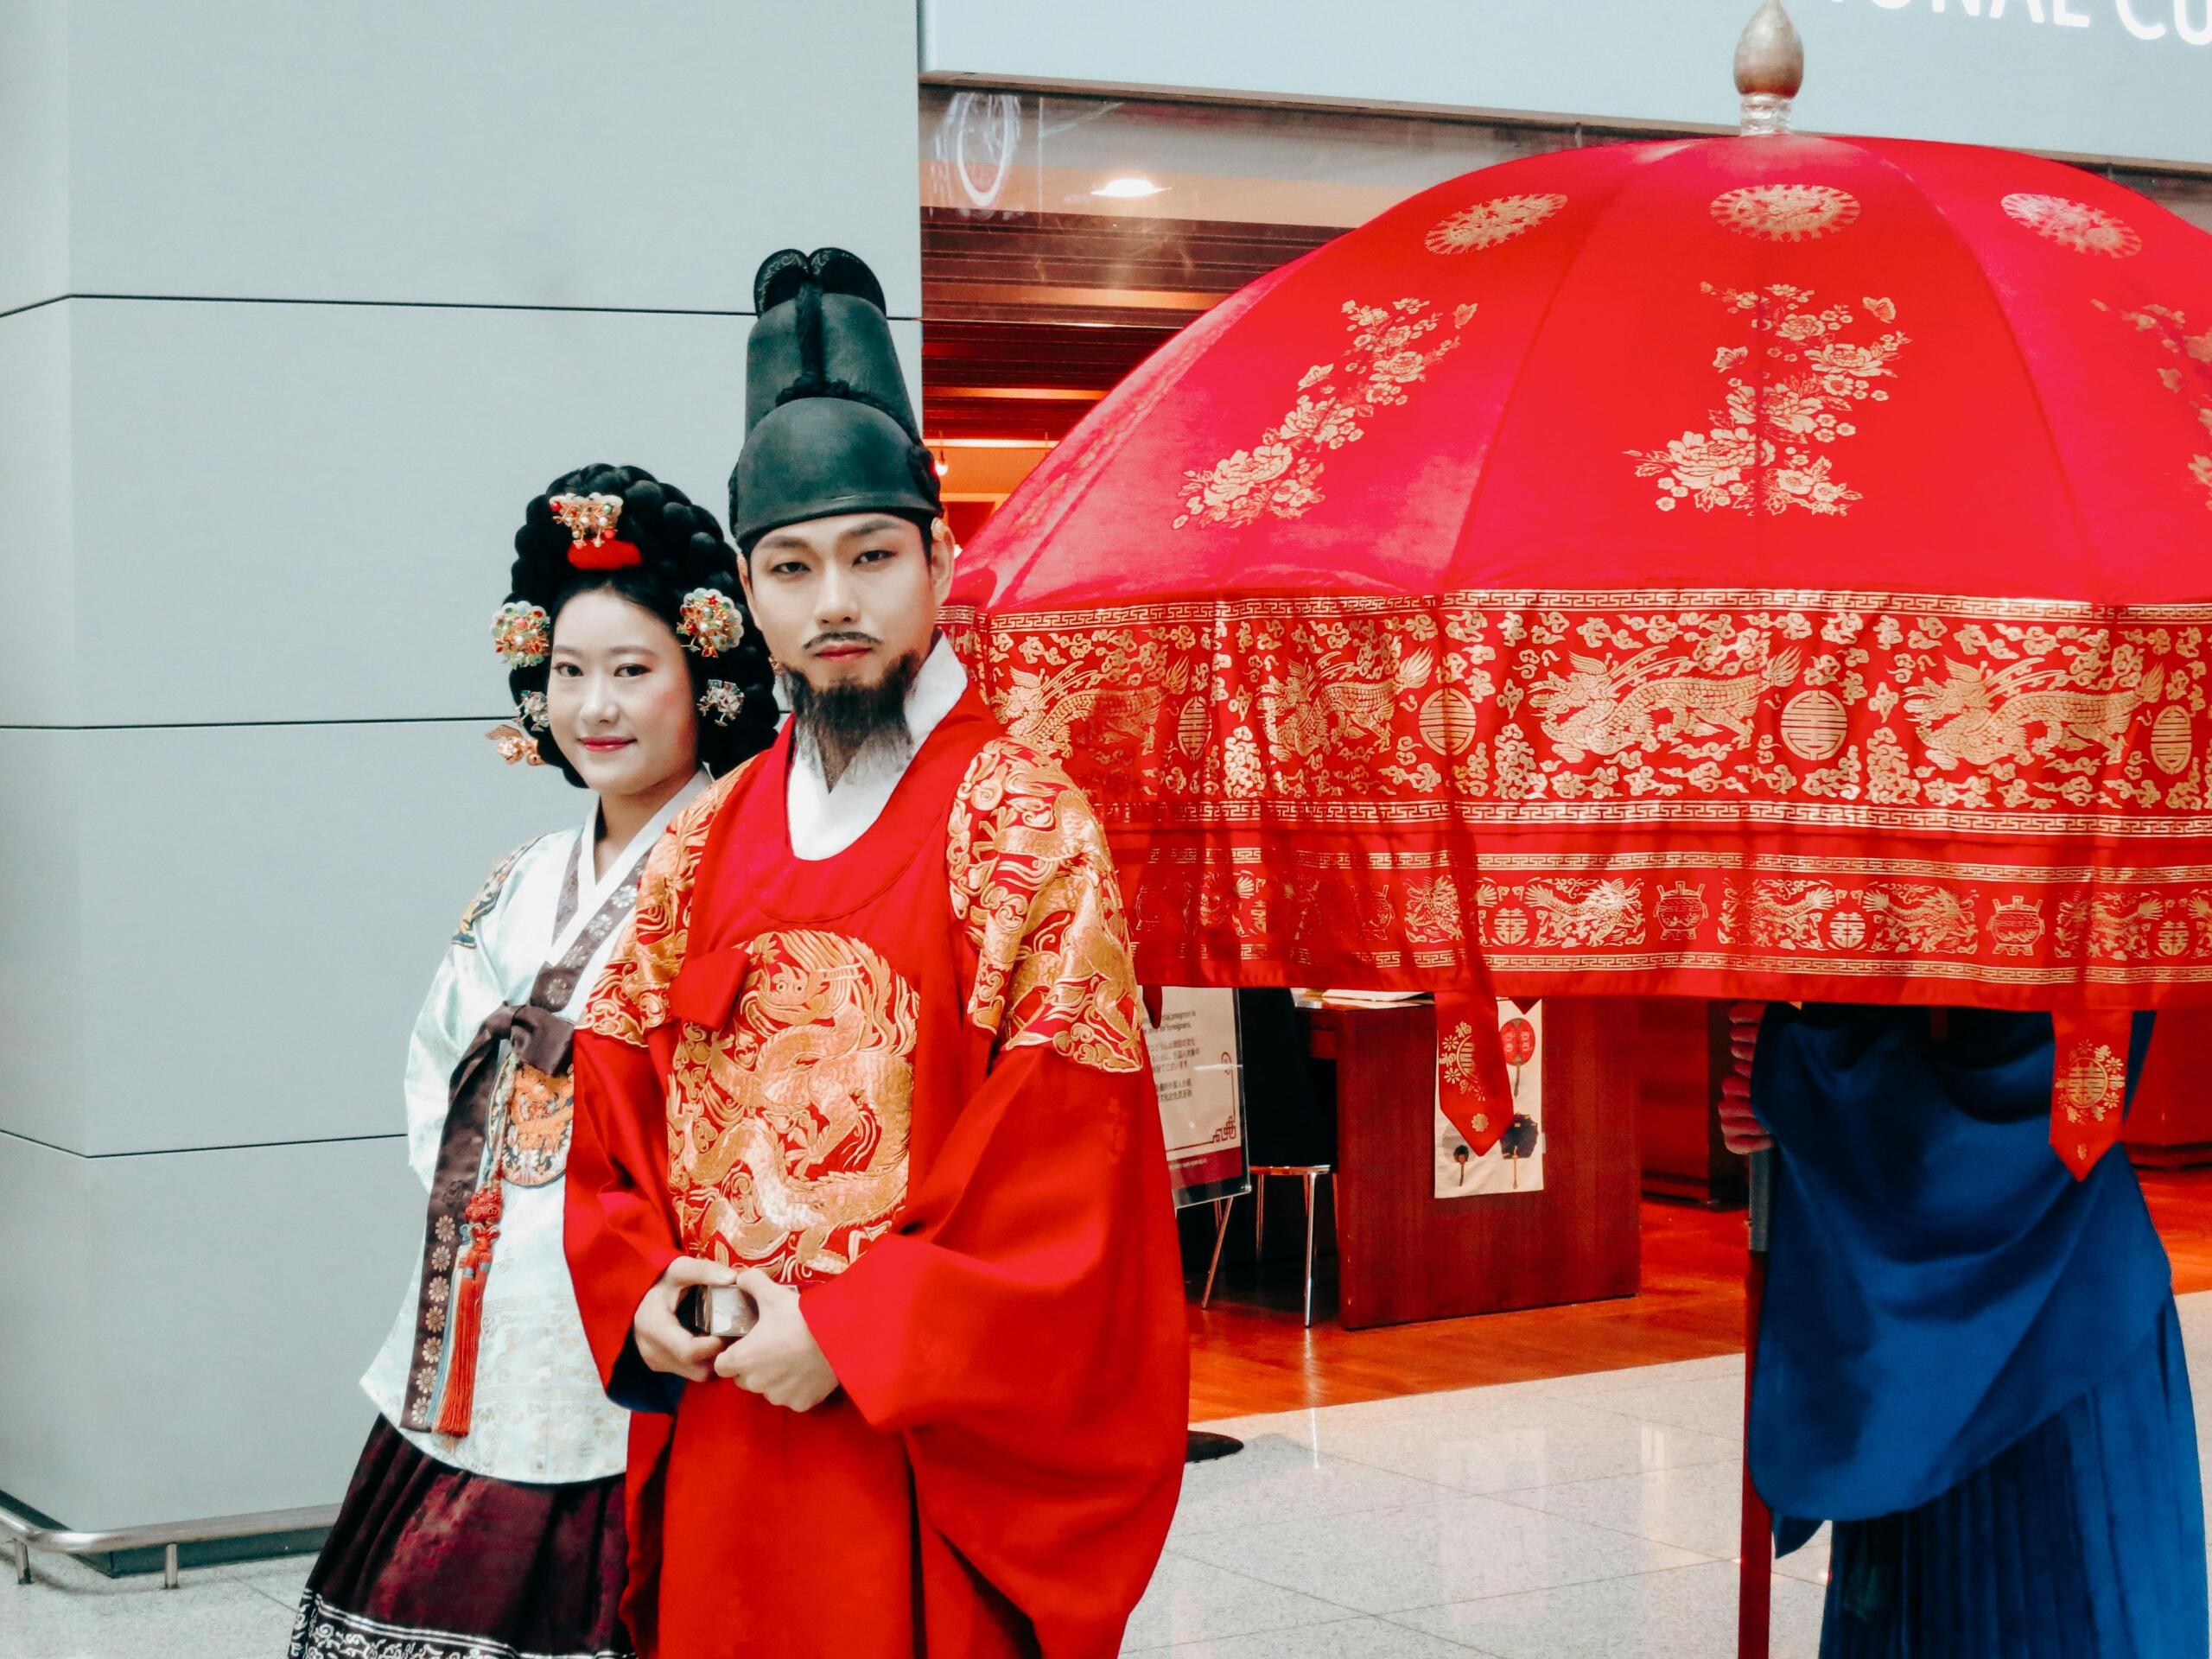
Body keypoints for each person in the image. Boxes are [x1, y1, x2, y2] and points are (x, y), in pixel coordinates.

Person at [563, 247, 1187, 1659]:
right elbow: (610, 1112)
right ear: (747, 591)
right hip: (728, 1411)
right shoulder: (705, 835)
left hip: (911, 1444)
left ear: (940, 560)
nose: (834, 600)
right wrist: (642, 1288)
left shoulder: (1025, 828)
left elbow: (1068, 1186)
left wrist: (855, 1335)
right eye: (792, 566)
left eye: (870, 555)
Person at [291, 466, 775, 1659]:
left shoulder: (743, 875)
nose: (595, 706)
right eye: (568, 672)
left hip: (645, 1308)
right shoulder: (520, 878)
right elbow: (434, 1064)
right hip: (491, 1293)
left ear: (704, 681)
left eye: (632, 669)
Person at [1722, 1001, 2206, 1657]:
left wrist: (1799, 1073)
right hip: (1926, 1333)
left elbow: (2035, 1116)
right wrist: (1782, 1097)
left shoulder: (2097, 902)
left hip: (2061, 1320)